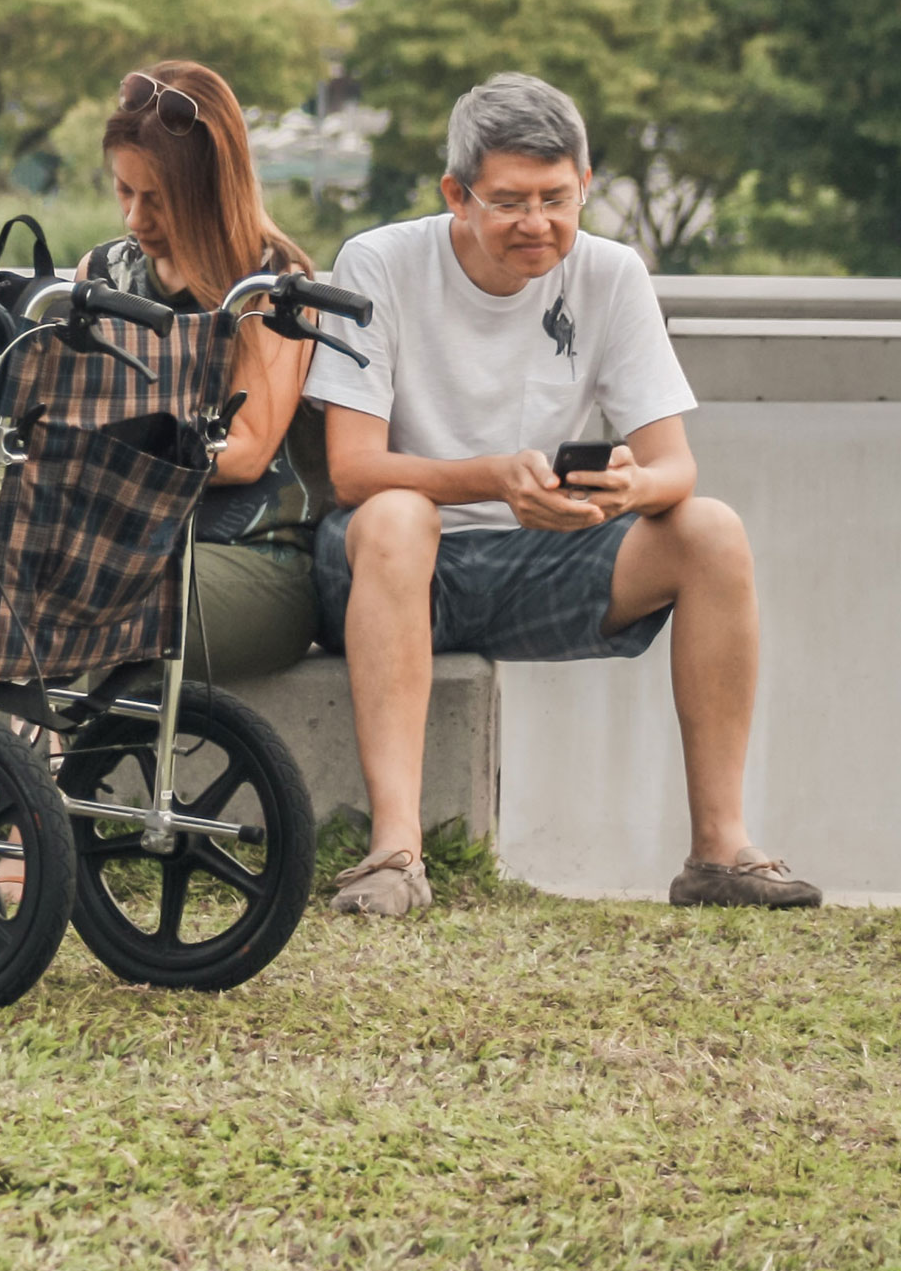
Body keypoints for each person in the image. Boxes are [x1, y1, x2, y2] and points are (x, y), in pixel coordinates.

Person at [308, 72, 821, 916]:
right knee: (399, 513)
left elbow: (673, 466)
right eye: (508, 201)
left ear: (585, 183)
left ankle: (717, 852)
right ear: (456, 193)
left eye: (556, 197)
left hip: (539, 556)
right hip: (392, 565)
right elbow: (353, 470)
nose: (536, 224)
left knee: (711, 530)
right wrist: (489, 476)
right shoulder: (379, 261)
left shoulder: (611, 274)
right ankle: (393, 852)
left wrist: (627, 488)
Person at [79, 60, 328, 684]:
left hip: (251, 559)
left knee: (70, 605)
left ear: (211, 189)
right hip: (128, 544)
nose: (135, 219)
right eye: (124, 192)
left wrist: (106, 462)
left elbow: (245, 453)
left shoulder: (274, 285)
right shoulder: (103, 273)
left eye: (158, 200)